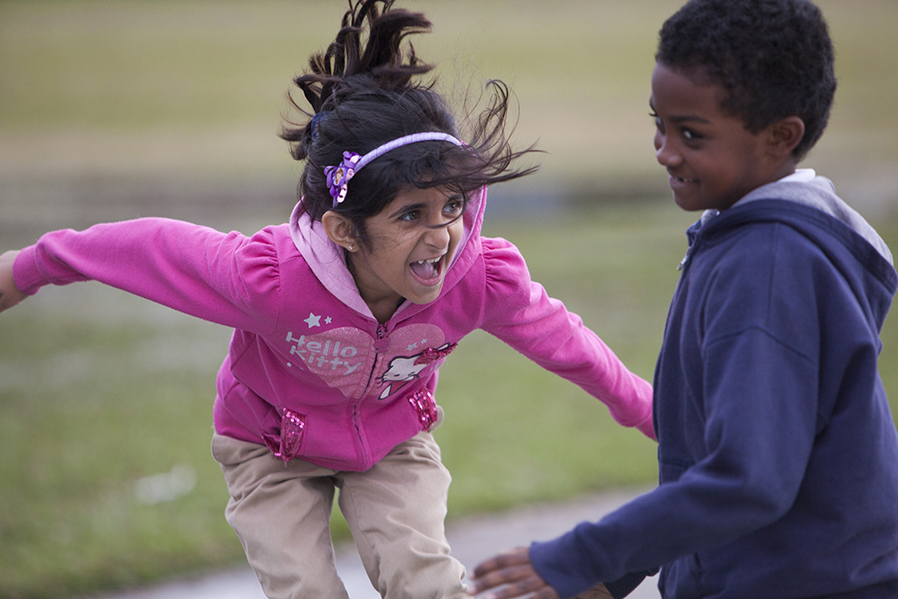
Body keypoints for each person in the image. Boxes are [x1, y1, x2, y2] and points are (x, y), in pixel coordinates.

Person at [0, 1, 655, 598]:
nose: (441, 233)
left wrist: (655, 414)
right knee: (305, 589)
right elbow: (144, 248)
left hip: (393, 440)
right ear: (344, 229)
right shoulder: (270, 278)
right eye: (410, 215)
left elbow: (570, 346)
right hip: (269, 445)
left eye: (452, 206)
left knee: (425, 583)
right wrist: (28, 267)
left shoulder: (481, 276)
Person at [468, 0, 898, 598]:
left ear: (780, 136)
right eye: (660, 124)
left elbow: (748, 479)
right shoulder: (757, 242)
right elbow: (717, 465)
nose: (665, 151)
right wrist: (613, 575)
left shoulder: (768, 267)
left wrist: (584, 555)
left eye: (691, 134)